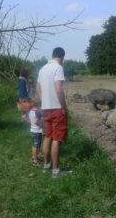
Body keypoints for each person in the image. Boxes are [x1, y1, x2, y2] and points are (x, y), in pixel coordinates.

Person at [36, 47, 72, 178]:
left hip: (45, 108)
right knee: (57, 139)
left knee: (48, 136)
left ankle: (46, 165)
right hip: (56, 108)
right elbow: (58, 89)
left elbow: (38, 88)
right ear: (62, 57)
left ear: (52, 55)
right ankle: (56, 172)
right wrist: (64, 107)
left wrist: (41, 103)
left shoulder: (42, 69)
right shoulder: (58, 68)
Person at [22, 97, 43, 166]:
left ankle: (34, 157)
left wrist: (30, 122)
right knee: (36, 145)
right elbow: (36, 121)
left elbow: (23, 117)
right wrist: (43, 126)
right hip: (37, 131)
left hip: (32, 131)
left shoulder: (30, 111)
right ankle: (35, 160)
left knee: (34, 145)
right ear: (39, 104)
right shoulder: (38, 112)